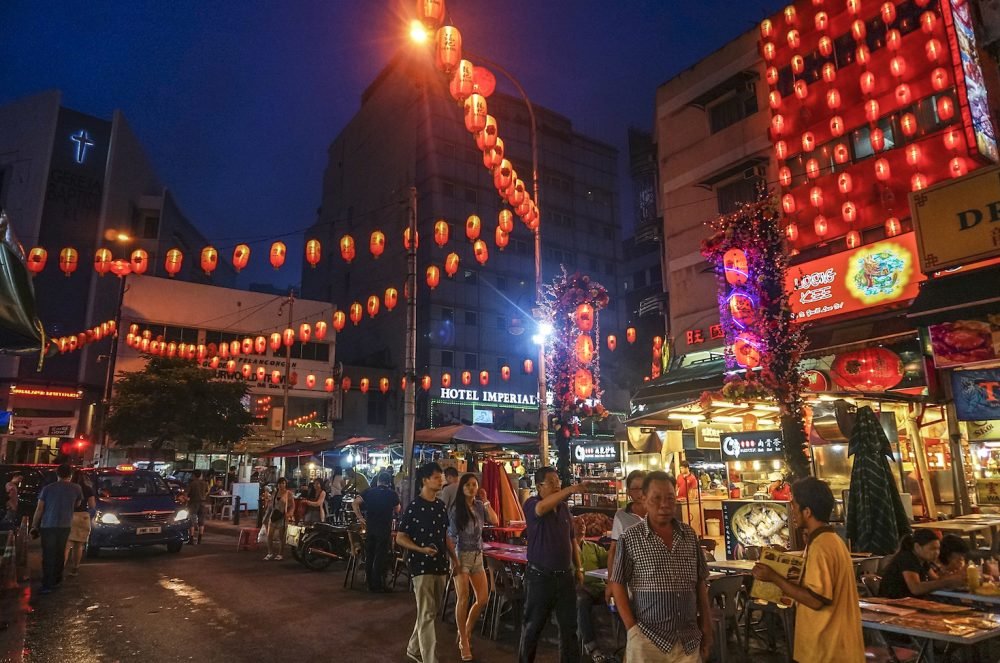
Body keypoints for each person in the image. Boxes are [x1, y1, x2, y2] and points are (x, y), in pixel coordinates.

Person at [751, 476, 865, 663]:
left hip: (826, 650)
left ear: (807, 512)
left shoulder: (822, 546)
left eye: (794, 505)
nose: (792, 511)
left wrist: (773, 577)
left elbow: (815, 599)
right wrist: (782, 561)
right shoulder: (830, 541)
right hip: (834, 647)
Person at [609, 471, 711, 663]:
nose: (664, 504)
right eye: (657, 498)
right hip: (647, 640)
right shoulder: (630, 538)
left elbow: (700, 583)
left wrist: (706, 627)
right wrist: (632, 629)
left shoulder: (689, 536)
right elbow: (618, 583)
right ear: (644, 499)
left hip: (688, 641)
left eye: (670, 498)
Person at [519, 466, 584, 663]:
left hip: (564, 577)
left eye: (558, 482)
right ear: (539, 486)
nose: (557, 486)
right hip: (540, 577)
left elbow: (571, 540)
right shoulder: (532, 503)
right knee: (532, 628)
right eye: (552, 482)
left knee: (569, 629)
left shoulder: (564, 508)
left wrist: (578, 568)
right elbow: (541, 509)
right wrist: (570, 490)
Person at [395, 462, 458, 663]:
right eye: (437, 477)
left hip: (440, 565)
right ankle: (430, 659)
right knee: (427, 614)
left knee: (429, 612)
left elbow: (444, 536)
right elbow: (400, 537)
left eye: (441, 477)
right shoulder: (413, 507)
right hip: (420, 565)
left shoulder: (440, 506)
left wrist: (454, 559)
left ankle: (413, 648)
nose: (441, 481)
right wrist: (420, 549)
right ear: (425, 480)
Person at [448, 472, 499, 661]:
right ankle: (464, 640)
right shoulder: (455, 510)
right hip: (461, 556)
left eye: (474, 485)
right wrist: (453, 561)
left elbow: (495, 520)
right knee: (463, 598)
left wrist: (486, 502)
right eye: (468, 485)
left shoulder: (479, 506)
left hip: (478, 556)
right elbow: (451, 537)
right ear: (462, 488)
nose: (471, 488)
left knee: (483, 598)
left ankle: (467, 628)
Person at [29, 463, 83, 594]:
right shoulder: (76, 488)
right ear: (70, 475)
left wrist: (34, 525)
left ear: (57, 474)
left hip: (48, 525)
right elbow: (78, 503)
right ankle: (57, 580)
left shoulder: (47, 489)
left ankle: (47, 583)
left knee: (48, 554)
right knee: (59, 553)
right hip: (65, 525)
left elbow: (40, 508)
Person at [879, 529, 964, 598]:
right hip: (892, 602)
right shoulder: (907, 559)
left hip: (909, 600)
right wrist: (947, 582)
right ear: (917, 547)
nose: (937, 553)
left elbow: (936, 579)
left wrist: (955, 577)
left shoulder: (923, 560)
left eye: (938, 549)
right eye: (932, 549)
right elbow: (916, 588)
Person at [352, 472, 400, 593]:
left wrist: (360, 517)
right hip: (384, 528)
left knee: (370, 555)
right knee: (380, 556)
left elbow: (355, 503)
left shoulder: (369, 492)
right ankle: (377, 584)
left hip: (370, 527)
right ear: (389, 482)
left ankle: (369, 583)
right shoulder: (392, 494)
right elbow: (398, 509)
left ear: (378, 481)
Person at [574, 516, 611, 663]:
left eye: (582, 523)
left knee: (622, 597)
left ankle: (624, 641)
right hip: (580, 589)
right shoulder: (564, 548)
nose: (581, 525)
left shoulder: (593, 547)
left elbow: (609, 559)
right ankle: (592, 646)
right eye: (577, 523)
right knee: (581, 601)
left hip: (599, 587)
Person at [606, 470, 647, 604]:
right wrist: (611, 581)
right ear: (628, 492)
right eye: (635, 489)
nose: (640, 493)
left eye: (643, 487)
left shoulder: (658, 513)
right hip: (631, 577)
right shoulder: (621, 516)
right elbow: (613, 550)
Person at [64, 470, 96, 577]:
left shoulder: (68, 488)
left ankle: (60, 568)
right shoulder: (88, 489)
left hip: (69, 515)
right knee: (79, 545)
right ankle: (75, 569)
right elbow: (92, 505)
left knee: (67, 545)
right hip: (83, 517)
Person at [263, 477, 295, 561]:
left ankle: (280, 554)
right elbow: (270, 505)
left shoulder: (289, 493)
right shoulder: (275, 492)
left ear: (286, 484)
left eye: (283, 483)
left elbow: (292, 505)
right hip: (273, 516)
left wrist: (289, 514)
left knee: (281, 537)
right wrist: (266, 516)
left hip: (282, 517)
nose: (281, 485)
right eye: (280, 483)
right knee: (269, 535)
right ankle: (270, 552)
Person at [186, 470, 208, 545]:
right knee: (201, 521)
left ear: (194, 475)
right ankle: (199, 540)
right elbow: (206, 491)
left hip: (193, 503)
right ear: (201, 475)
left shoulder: (192, 483)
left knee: (191, 521)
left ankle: (191, 539)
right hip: (203, 503)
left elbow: (186, 494)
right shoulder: (205, 483)